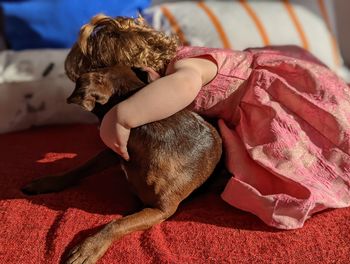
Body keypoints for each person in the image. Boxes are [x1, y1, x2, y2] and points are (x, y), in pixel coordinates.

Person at [66, 14, 350, 229]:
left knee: (313, 143)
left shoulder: (183, 68)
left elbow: (184, 86)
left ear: (141, 69)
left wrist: (122, 117)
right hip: (252, 102)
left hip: (272, 98)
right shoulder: (177, 64)